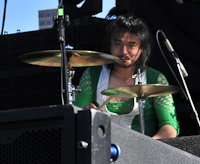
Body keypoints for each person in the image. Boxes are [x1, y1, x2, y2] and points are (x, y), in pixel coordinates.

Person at [74, 7, 179, 138]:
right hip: (101, 152)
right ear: (110, 45)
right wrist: (85, 111)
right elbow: (75, 120)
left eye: (131, 45)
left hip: (143, 154)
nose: (123, 51)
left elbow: (170, 127)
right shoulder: (92, 75)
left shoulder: (155, 78)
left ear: (141, 49)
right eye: (118, 44)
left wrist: (150, 147)